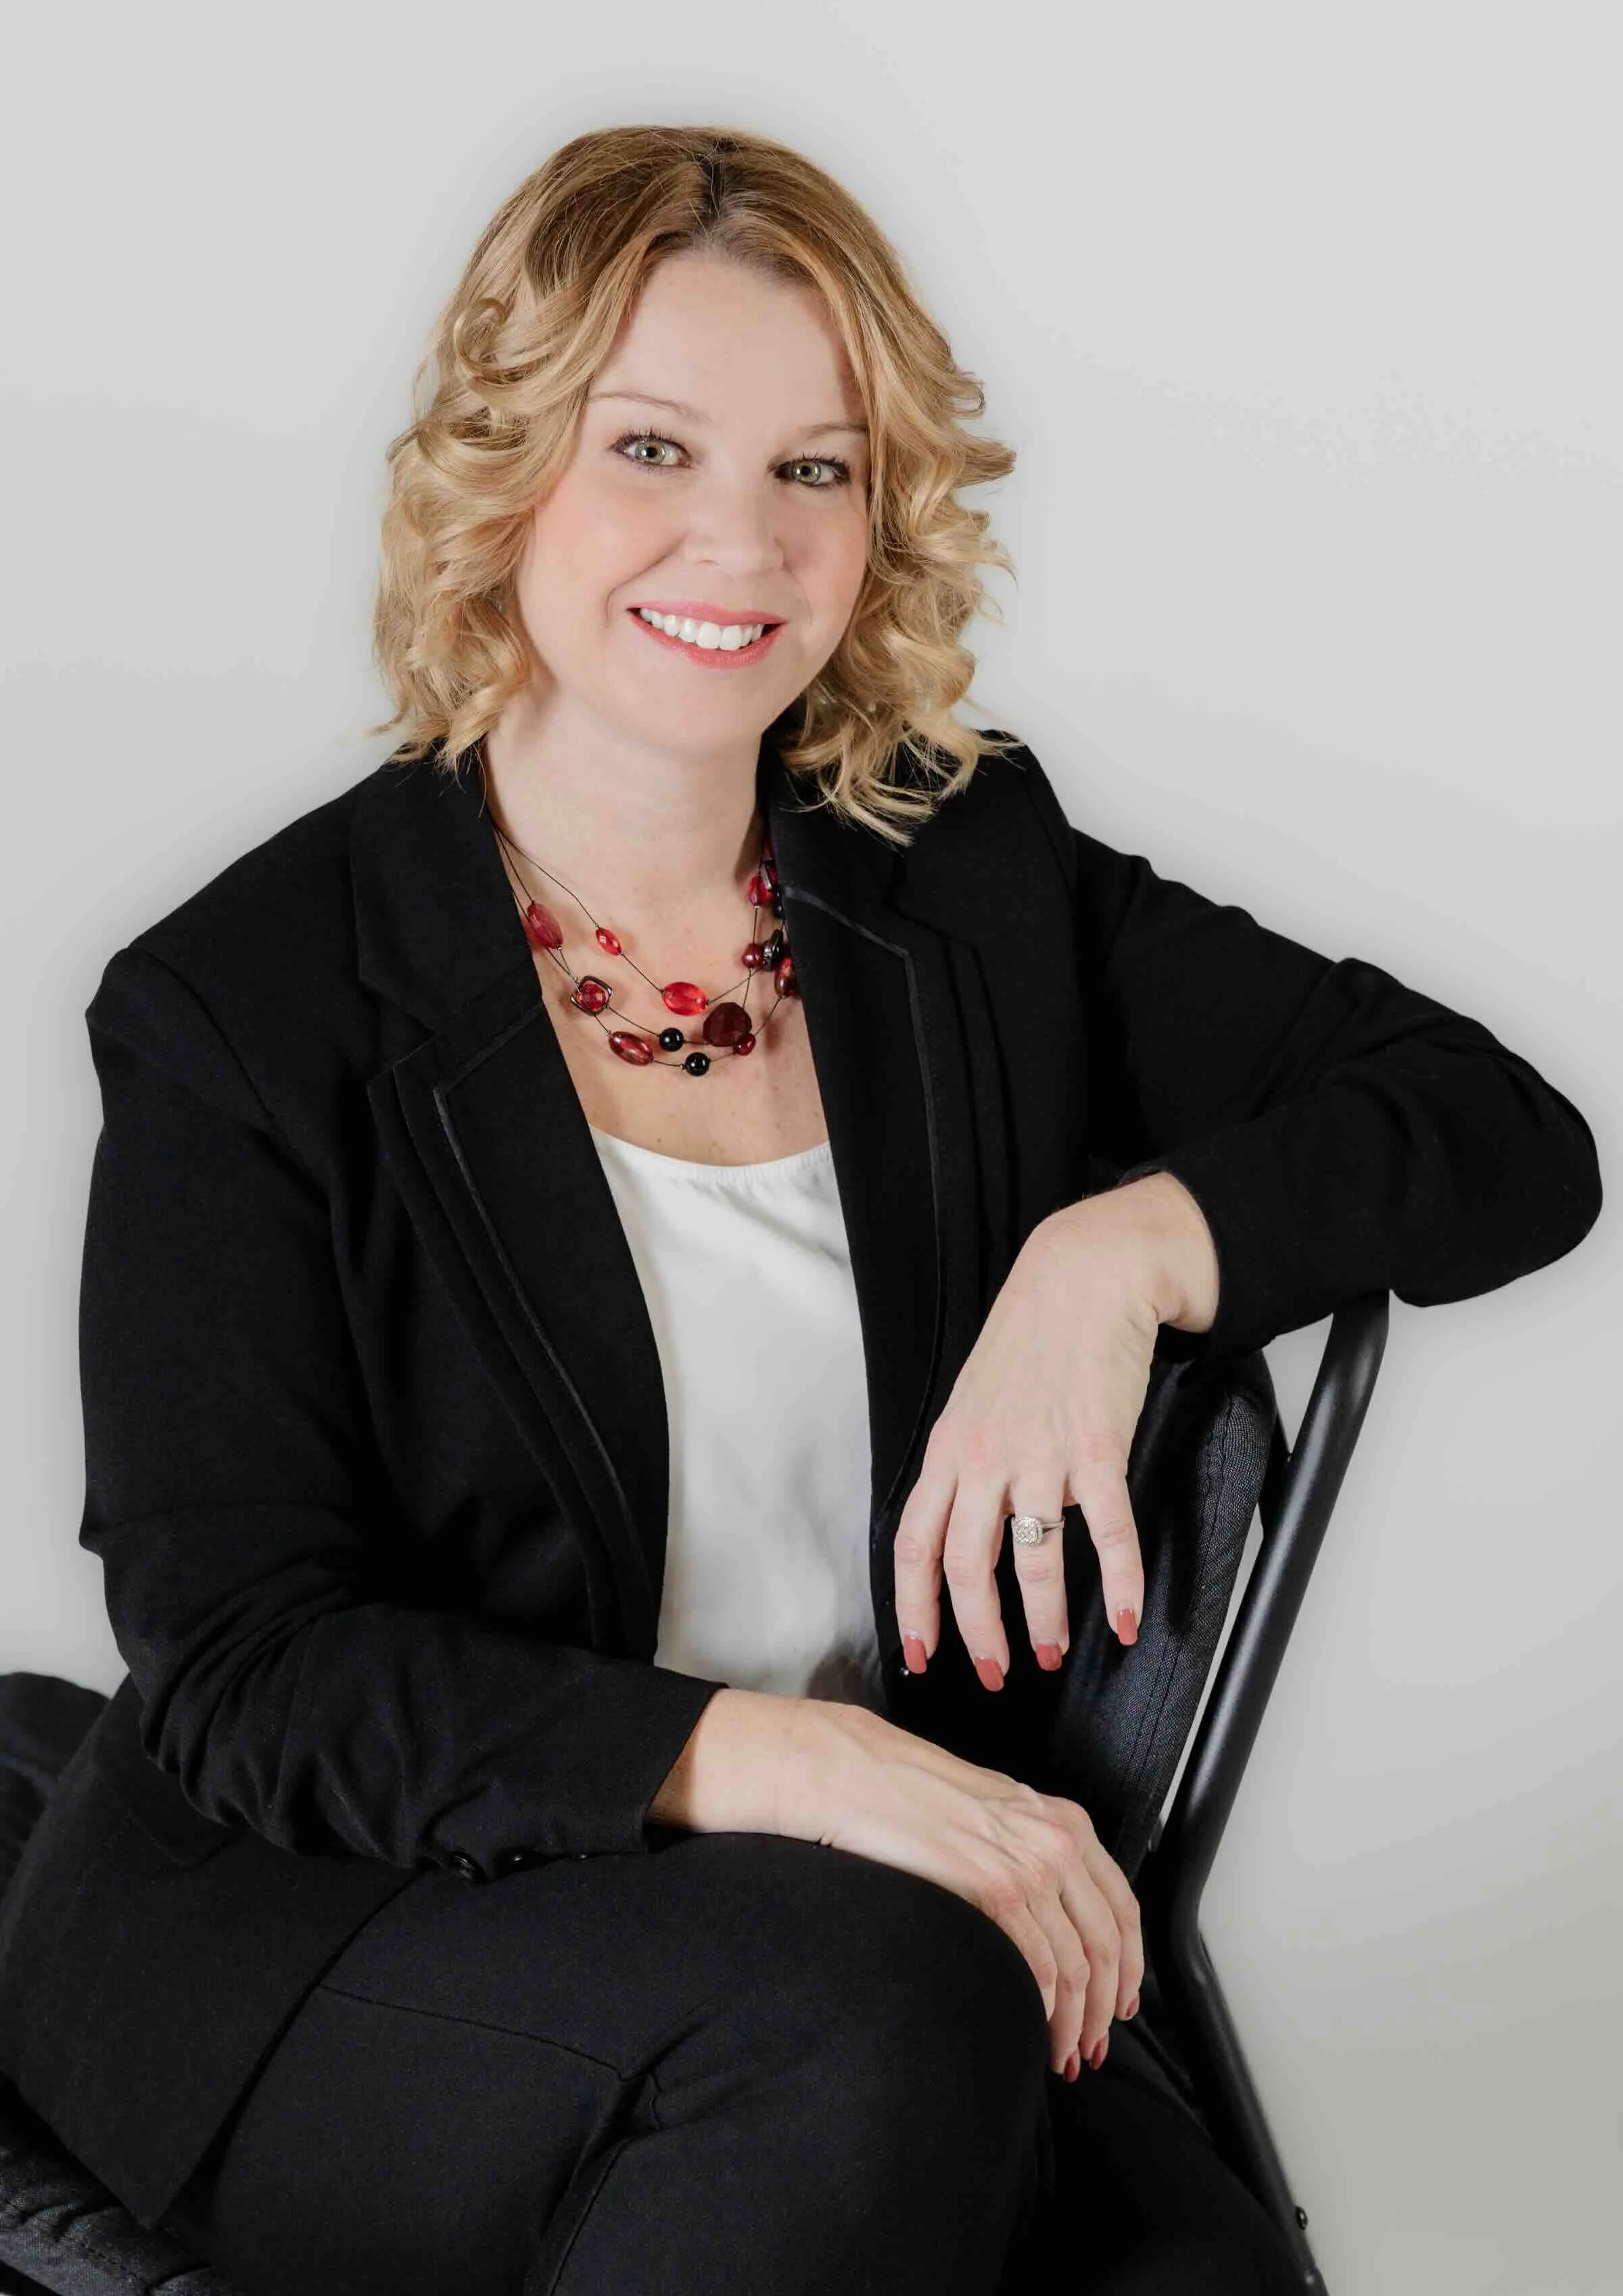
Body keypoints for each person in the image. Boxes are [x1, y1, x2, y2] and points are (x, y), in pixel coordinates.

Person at [0, 124, 1601, 2296]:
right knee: (863, 2035)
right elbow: (247, 1671)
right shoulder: (247, 1008)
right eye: (650, 445)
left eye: (818, 470)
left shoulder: (964, 878)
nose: (735, 543)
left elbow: (1504, 1135)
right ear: (507, 471)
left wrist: (1114, 1255)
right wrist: (785, 1762)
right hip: (333, 1928)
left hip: (882, 1929)